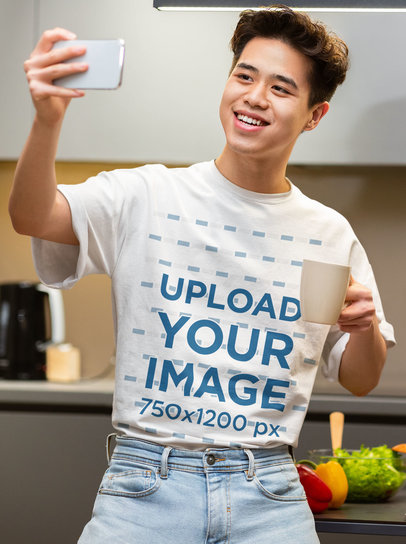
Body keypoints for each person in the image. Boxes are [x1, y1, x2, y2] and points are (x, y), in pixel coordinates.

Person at [9, 5, 395, 544]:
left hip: (270, 494)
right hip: (145, 487)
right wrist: (47, 119)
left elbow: (360, 377)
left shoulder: (325, 233)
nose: (255, 96)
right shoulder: (146, 195)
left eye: (281, 88)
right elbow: (32, 215)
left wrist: (364, 329)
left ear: (315, 114)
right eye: (244, 75)